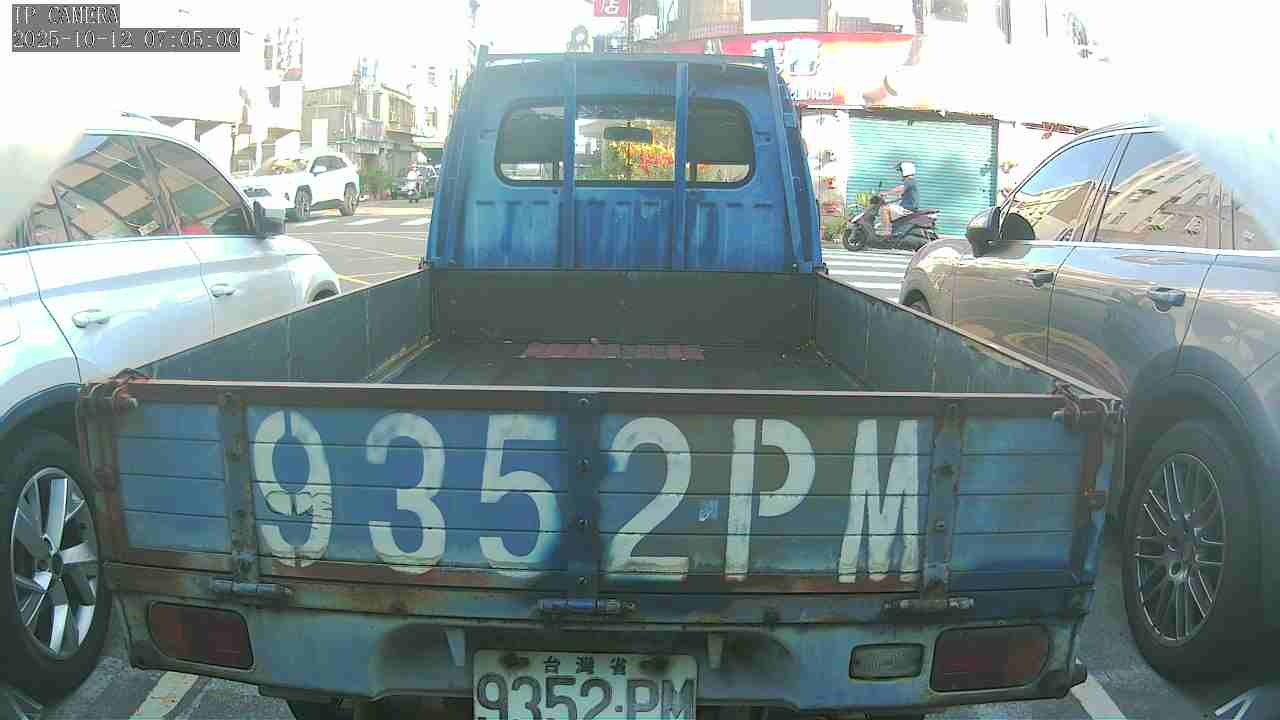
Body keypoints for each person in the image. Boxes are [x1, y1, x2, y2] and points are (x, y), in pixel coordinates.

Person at [879, 161, 918, 238]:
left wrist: (886, 193)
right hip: (908, 207)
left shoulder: (909, 181)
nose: (900, 173)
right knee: (888, 207)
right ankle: (893, 231)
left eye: (901, 171)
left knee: (884, 209)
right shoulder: (910, 181)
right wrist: (888, 201)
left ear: (905, 170)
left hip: (907, 208)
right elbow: (900, 197)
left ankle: (887, 233)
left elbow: (900, 189)